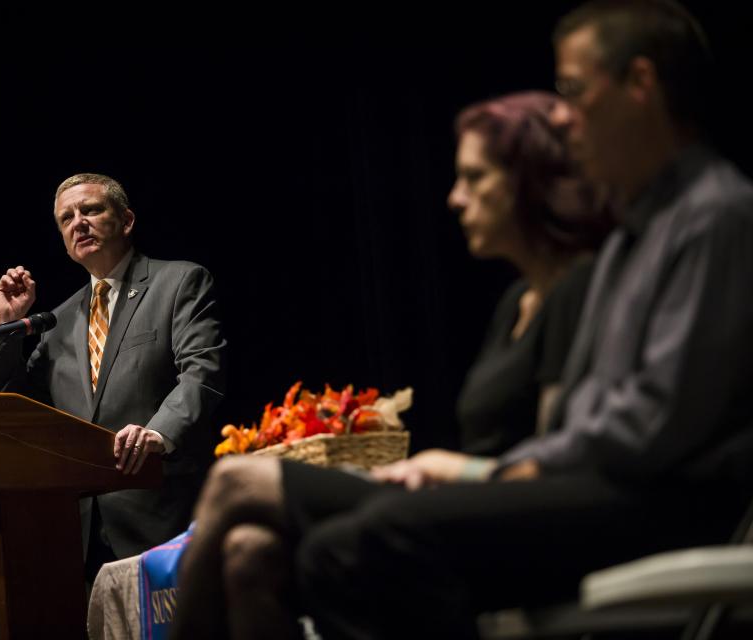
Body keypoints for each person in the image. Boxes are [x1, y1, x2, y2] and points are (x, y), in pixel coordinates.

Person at [170, 2, 753, 638]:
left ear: (641, 84)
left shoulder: (717, 214)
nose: (563, 114)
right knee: (298, 549)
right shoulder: (632, 238)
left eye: (574, 90)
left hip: (660, 498)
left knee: (358, 543)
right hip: (603, 482)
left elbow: (654, 425)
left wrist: (495, 473)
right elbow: (589, 418)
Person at [0, 173, 227, 573]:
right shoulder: (56, 322)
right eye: (66, 218)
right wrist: (6, 329)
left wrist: (158, 433)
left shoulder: (179, 281)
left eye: (91, 210)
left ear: (126, 220)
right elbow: (16, 414)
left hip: (162, 515)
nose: (78, 222)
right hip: (78, 533)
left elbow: (202, 372)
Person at [449, 91, 611, 457]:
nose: (456, 198)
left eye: (475, 177)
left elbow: (551, 468)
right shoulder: (516, 300)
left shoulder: (577, 287)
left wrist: (452, 472)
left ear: (529, 182)